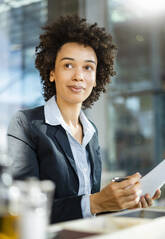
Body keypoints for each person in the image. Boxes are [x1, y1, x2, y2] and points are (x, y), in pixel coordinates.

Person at [7, 15, 160, 223]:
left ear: (96, 77)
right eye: (68, 65)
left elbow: (88, 209)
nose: (79, 76)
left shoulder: (91, 131)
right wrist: (97, 202)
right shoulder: (26, 123)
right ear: (52, 72)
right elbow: (21, 209)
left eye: (88, 67)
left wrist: (122, 201)